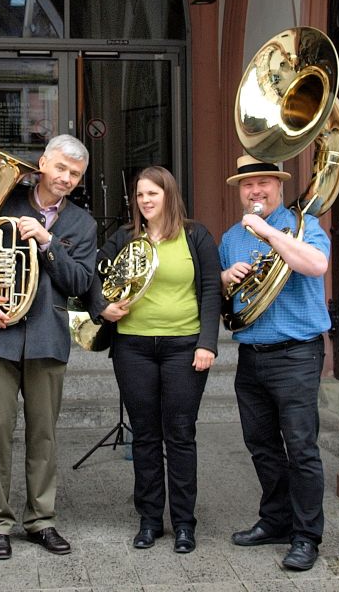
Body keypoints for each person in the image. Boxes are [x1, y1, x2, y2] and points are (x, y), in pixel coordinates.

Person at [0, 135, 97, 560]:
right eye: (61, 168)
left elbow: (81, 283)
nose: (66, 178)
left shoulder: (82, 225)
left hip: (48, 338)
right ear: (43, 163)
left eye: (75, 174)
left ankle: (41, 520)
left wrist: (48, 245)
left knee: (43, 434)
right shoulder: (4, 201)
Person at [83, 166, 221, 553]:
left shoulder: (196, 236)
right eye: (140, 195)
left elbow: (211, 291)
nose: (145, 201)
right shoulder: (125, 238)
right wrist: (103, 307)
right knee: (144, 436)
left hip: (184, 346)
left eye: (152, 194)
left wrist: (207, 343)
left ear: (169, 195)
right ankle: (148, 520)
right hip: (133, 348)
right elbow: (91, 275)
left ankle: (183, 524)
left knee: (180, 435)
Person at [219, 154, 330, 571]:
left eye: (264, 183)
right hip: (252, 355)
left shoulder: (305, 226)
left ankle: (306, 536)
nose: (255, 191)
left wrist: (266, 231)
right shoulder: (231, 237)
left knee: (301, 448)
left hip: (297, 354)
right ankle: (276, 520)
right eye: (248, 186)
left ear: (279, 187)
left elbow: (315, 265)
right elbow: (222, 297)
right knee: (262, 445)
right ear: (239, 191)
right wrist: (226, 277)